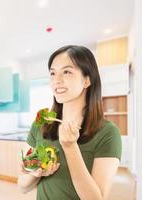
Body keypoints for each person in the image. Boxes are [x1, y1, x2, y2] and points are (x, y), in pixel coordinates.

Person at [18, 45, 122, 200]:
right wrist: (36, 172)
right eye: (53, 73)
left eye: (66, 72)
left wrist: (70, 147)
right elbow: (22, 186)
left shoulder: (108, 133)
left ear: (87, 80)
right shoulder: (41, 124)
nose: (56, 80)